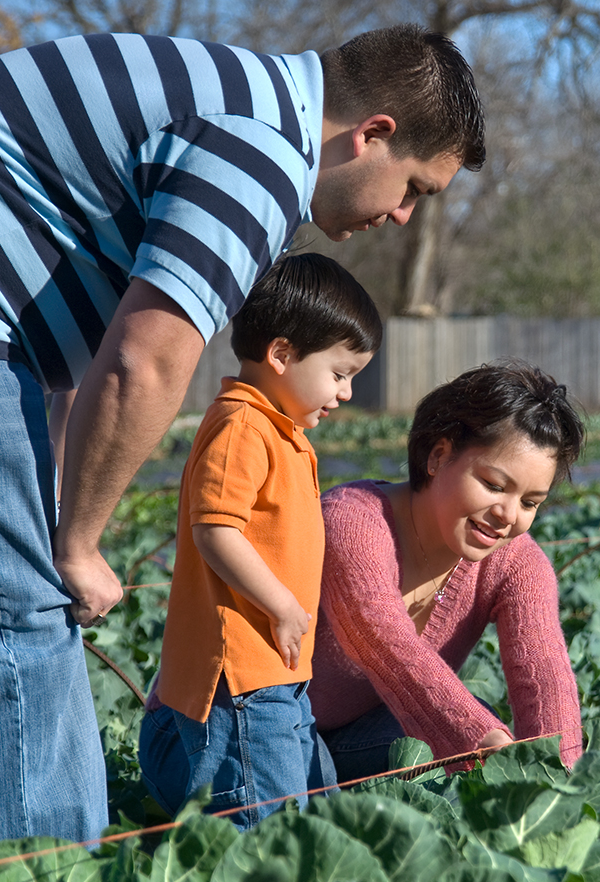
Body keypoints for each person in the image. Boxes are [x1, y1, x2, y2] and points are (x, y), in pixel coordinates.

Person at [0, 24, 485, 868]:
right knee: (15, 633)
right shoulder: (258, 154)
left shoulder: (227, 99)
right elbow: (144, 361)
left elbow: (75, 350)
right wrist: (73, 543)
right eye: (413, 189)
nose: (401, 216)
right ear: (372, 133)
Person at [138, 252, 379, 828]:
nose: (345, 393)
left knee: (299, 814)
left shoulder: (280, 429)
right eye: (340, 373)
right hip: (245, 676)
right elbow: (216, 531)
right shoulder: (243, 425)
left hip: (278, 671)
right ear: (281, 355)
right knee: (265, 825)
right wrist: (281, 605)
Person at [308, 360, 585, 782]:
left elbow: (544, 676)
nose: (507, 515)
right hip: (255, 727)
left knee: (482, 736)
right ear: (438, 456)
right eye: (493, 485)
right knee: (479, 733)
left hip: (363, 731)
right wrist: (479, 739)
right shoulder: (353, 522)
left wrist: (563, 782)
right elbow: (386, 642)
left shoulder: (517, 562)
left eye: (530, 502)